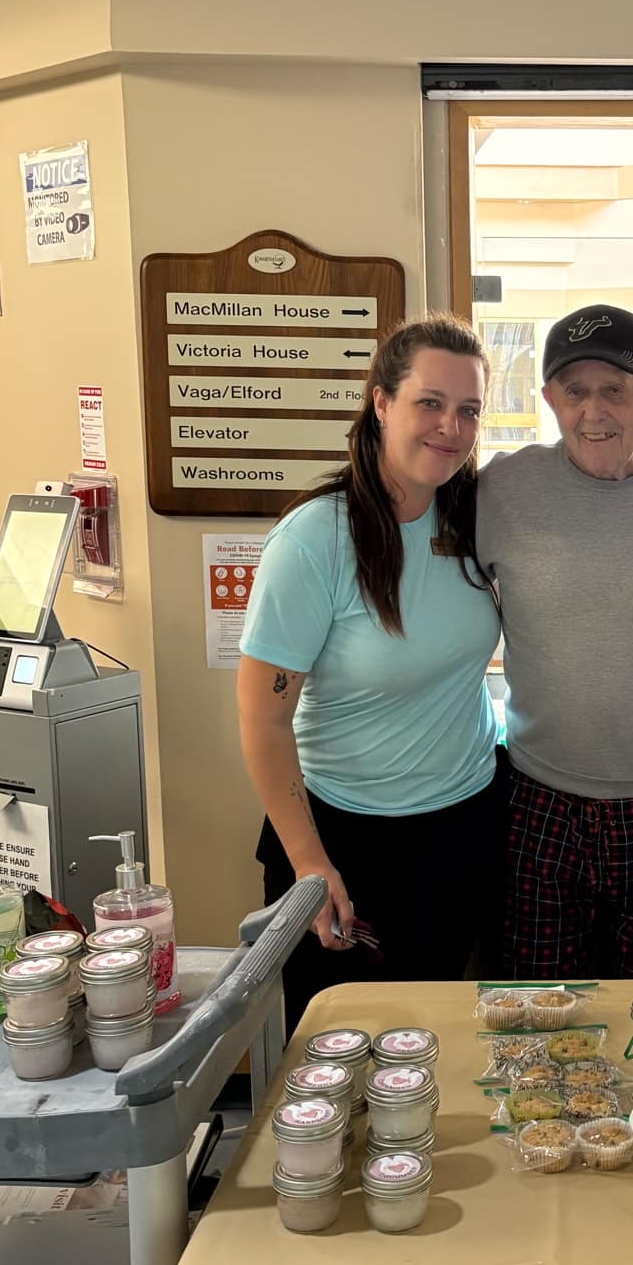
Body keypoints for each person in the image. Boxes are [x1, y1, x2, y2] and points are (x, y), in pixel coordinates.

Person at [237, 314, 507, 1024]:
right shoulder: (314, 540)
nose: (450, 426)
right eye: (430, 402)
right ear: (381, 402)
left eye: (469, 410)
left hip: (461, 829)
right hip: (344, 840)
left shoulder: (476, 518)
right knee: (334, 1059)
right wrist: (310, 864)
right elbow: (263, 721)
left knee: (435, 1049)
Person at [475, 304, 633, 976]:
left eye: (615, 390)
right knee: (536, 1014)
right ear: (548, 401)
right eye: (575, 391)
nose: (595, 411)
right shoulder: (499, 489)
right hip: (538, 799)